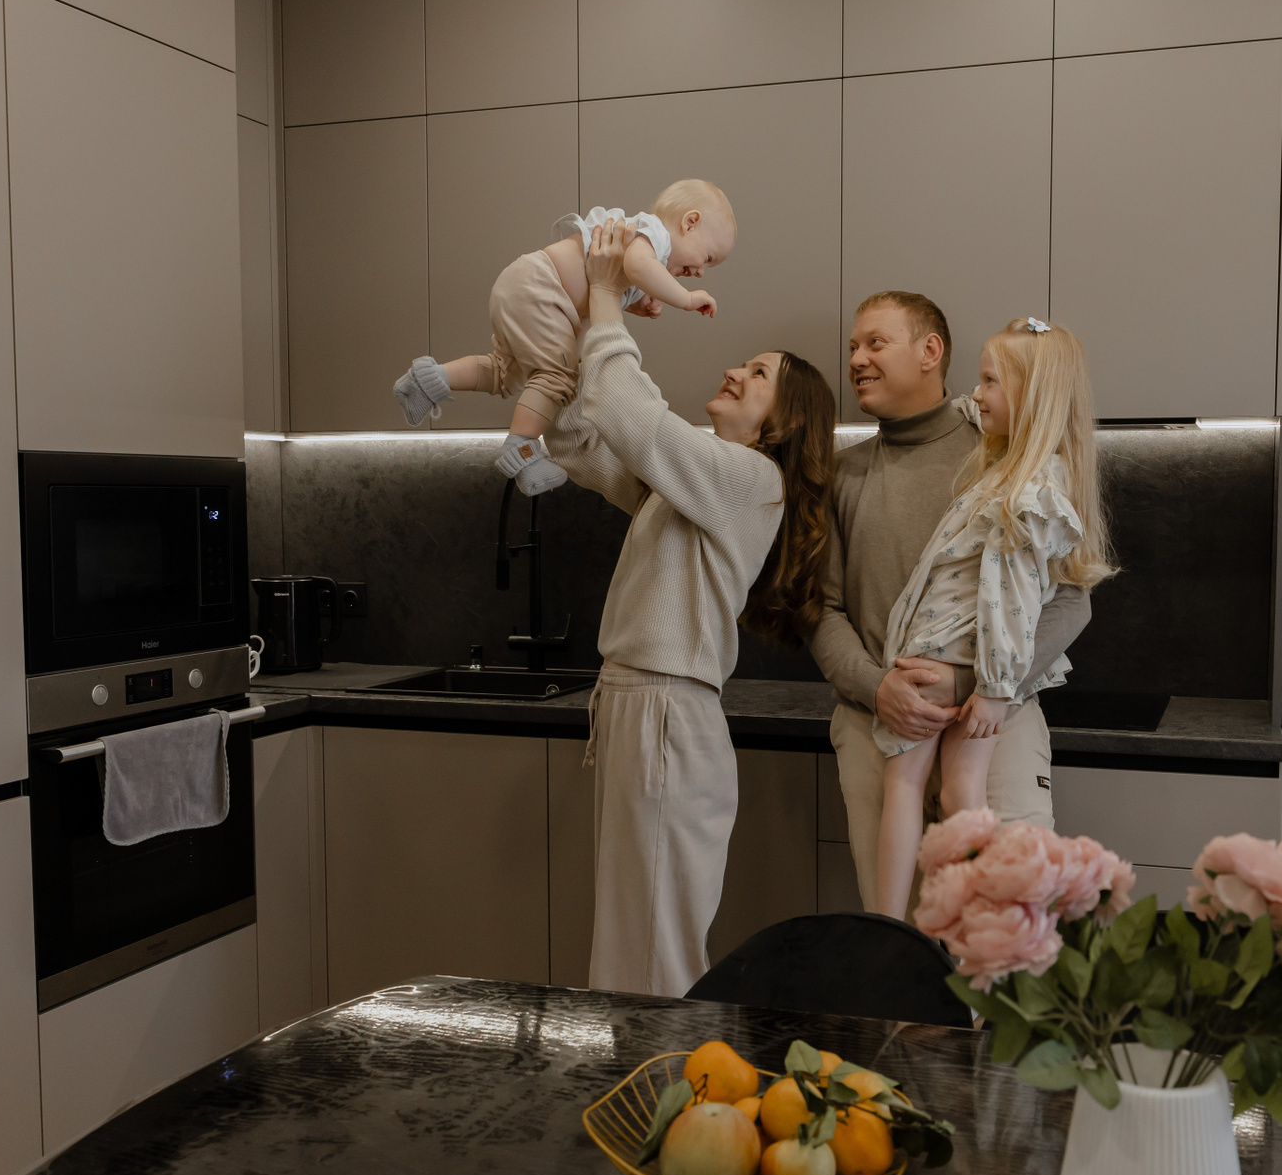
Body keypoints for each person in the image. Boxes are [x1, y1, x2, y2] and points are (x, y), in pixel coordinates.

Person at [544, 219, 834, 997]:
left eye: (758, 374)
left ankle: (666, 1077)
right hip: (644, 708)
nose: (735, 371)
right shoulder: (697, 482)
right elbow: (584, 439)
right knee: (635, 948)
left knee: (651, 956)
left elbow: (632, 416)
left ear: (784, 422)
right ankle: (650, 1074)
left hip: (665, 714)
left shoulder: (750, 479)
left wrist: (608, 295)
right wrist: (569, 320)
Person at [807, 292, 1096, 913]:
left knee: (1002, 933)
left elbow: (1071, 602)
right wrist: (878, 688)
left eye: (875, 343)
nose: (855, 359)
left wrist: (973, 682)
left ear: (930, 351)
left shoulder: (1005, 444)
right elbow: (821, 610)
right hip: (878, 724)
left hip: (996, 722)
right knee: (898, 944)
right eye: (853, 346)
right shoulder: (842, 474)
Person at [870, 318, 1115, 918]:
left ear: (1032, 396)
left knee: (905, 788)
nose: (975, 395)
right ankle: (967, 931)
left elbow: (1011, 599)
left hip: (943, 655)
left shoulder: (1023, 492)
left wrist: (995, 688)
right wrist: (991, 686)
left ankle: (889, 929)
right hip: (973, 664)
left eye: (988, 382)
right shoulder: (1026, 471)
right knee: (963, 796)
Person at [392, 180, 735, 495]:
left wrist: (637, 304)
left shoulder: (643, 244)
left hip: (529, 288)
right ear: (689, 222)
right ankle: (521, 448)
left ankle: (427, 382)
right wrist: (686, 299)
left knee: (507, 373)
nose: (700, 272)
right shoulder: (655, 236)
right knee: (557, 376)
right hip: (543, 289)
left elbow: (610, 282)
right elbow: (637, 267)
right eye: (707, 257)